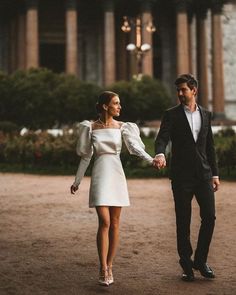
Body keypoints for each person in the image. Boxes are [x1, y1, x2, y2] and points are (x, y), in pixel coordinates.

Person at [70, 91, 154, 286]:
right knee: (104, 222)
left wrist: (151, 160)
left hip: (116, 174)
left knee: (115, 223)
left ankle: (110, 265)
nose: (119, 107)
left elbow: (136, 148)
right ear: (105, 106)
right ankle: (102, 266)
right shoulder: (89, 127)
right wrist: (77, 181)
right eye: (116, 103)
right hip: (100, 174)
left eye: (119, 103)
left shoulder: (123, 127)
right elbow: (85, 156)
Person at [153, 74, 220, 282]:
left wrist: (215, 173)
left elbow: (209, 147)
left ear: (194, 90)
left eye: (183, 90)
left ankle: (200, 260)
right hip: (181, 177)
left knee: (209, 217)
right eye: (178, 90)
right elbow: (162, 138)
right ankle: (186, 264)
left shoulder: (206, 114)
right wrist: (160, 153)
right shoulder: (171, 114)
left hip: (203, 175)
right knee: (183, 221)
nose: (180, 94)